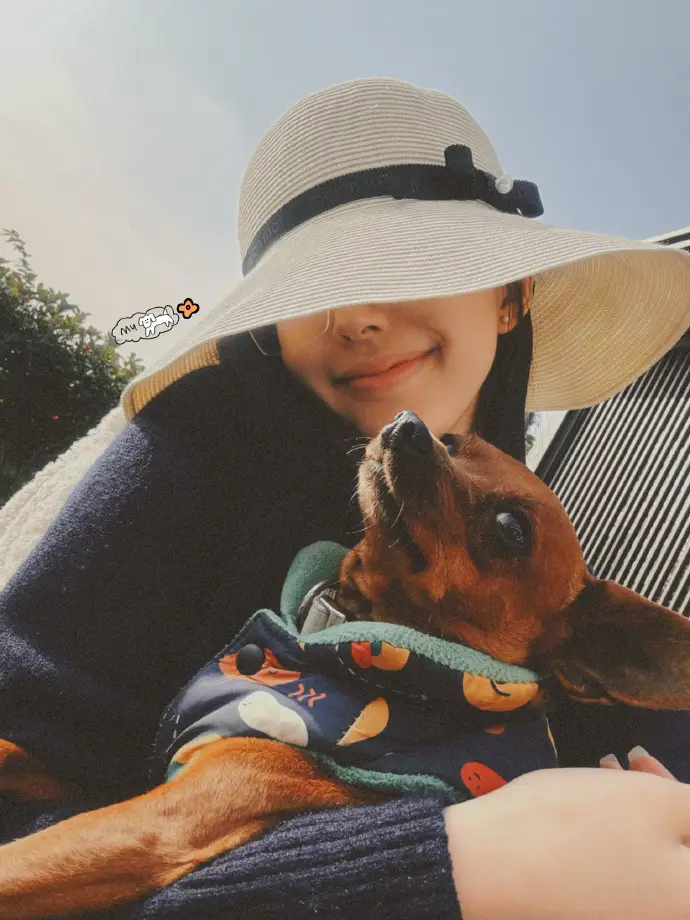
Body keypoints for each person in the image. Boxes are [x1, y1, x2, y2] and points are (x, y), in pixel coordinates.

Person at [1, 77, 690, 920]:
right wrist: (441, 867)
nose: (354, 316)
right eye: (308, 289)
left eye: (415, 262)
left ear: (511, 295)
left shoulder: (561, 629)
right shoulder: (202, 447)